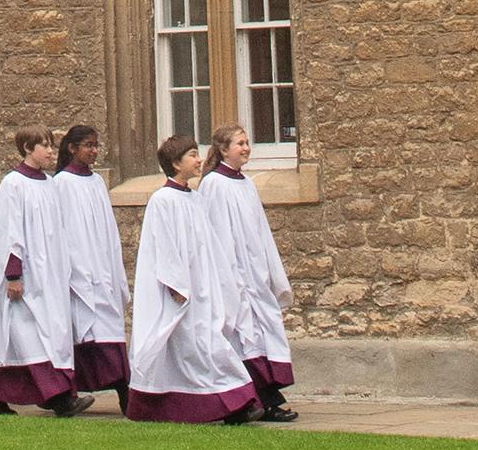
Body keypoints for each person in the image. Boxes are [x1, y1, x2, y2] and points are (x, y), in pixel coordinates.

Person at [128, 135, 261, 424]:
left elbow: (207, 244)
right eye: (192, 155)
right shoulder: (162, 200)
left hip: (203, 286)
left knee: (210, 341)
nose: (199, 160)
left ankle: (234, 403)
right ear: (176, 163)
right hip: (181, 291)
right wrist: (176, 284)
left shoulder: (194, 198)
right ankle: (231, 403)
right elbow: (163, 245)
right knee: (195, 345)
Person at [0, 126, 93, 418]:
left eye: (52, 146)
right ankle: (59, 399)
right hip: (27, 274)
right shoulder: (14, 184)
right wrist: (13, 273)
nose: (51, 152)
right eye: (45, 146)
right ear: (28, 148)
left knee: (49, 333)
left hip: (49, 272)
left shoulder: (49, 183)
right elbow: (9, 231)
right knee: (25, 333)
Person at [201, 125, 298, 422]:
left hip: (254, 274)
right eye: (240, 143)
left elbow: (260, 231)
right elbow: (216, 235)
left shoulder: (246, 184)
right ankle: (257, 400)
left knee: (262, 333)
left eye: (247, 142)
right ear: (222, 149)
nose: (246, 148)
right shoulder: (214, 184)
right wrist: (231, 277)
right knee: (242, 335)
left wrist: (269, 271)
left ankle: (266, 397)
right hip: (234, 275)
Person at [52, 125, 131, 413]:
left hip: (102, 266)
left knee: (109, 327)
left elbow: (107, 228)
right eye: (88, 145)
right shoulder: (61, 183)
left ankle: (125, 390)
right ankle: (68, 392)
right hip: (78, 267)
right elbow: (62, 230)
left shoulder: (97, 181)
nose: (94, 151)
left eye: (97, 145)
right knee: (82, 329)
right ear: (72, 148)